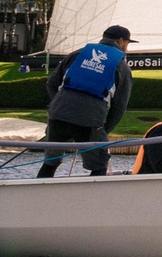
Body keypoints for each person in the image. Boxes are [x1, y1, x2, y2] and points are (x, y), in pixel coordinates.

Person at [38, 24, 133, 177]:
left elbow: (51, 84)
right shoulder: (122, 67)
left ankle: (38, 195)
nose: (127, 48)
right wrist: (103, 130)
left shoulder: (78, 54)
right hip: (90, 120)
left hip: (58, 115)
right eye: (127, 44)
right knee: (99, 165)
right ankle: (92, 200)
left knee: (50, 163)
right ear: (121, 41)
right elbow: (119, 107)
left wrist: (58, 106)